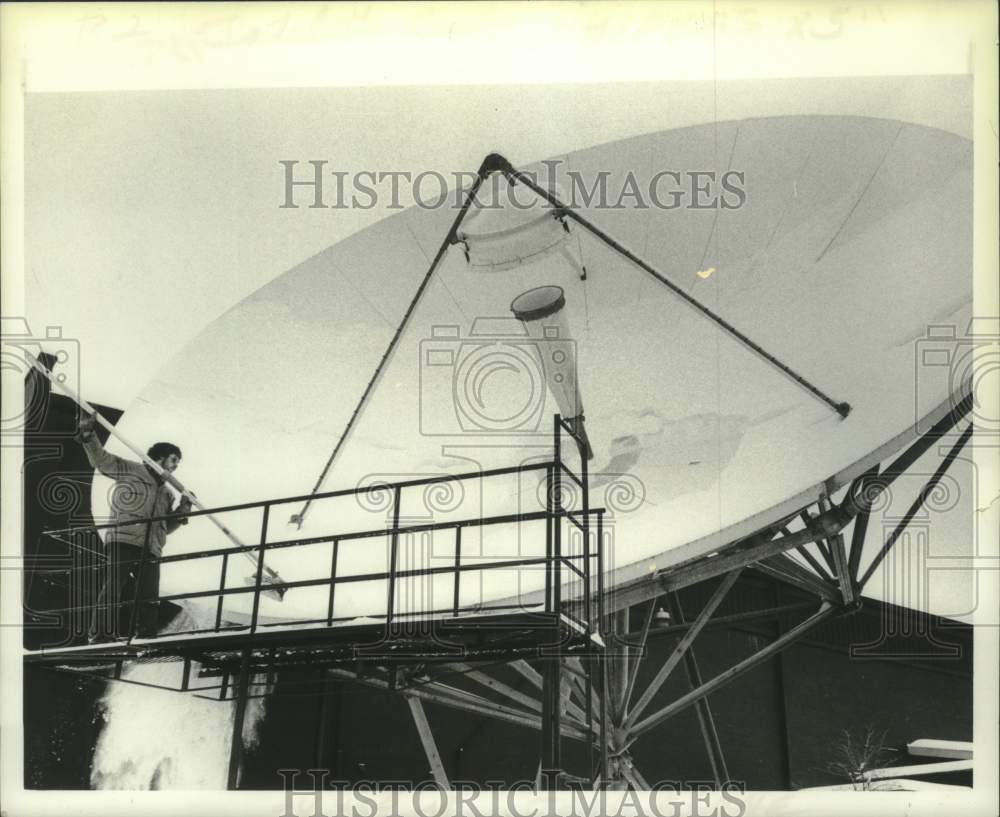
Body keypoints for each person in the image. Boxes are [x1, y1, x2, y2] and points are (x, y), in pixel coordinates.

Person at [77, 413, 192, 641]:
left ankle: (146, 634)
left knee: (149, 594)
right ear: (159, 458)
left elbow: (165, 527)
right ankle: (99, 633)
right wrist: (89, 435)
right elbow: (101, 460)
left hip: (151, 546)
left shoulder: (167, 493)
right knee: (113, 588)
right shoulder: (130, 470)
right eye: (173, 460)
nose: (176, 466)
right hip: (124, 538)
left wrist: (183, 509)